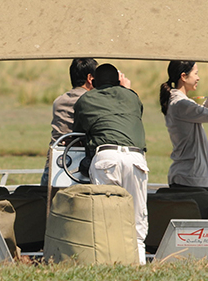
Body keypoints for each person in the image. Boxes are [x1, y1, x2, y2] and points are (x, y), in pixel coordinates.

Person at [73, 63, 149, 264]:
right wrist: (126, 87)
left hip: (105, 158)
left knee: (106, 216)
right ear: (118, 80)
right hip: (135, 158)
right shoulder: (132, 97)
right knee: (137, 218)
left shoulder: (85, 99)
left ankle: (108, 263)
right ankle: (139, 262)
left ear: (94, 81)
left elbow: (79, 131)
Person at [160, 61, 208, 190]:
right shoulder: (180, 104)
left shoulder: (179, 102)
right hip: (190, 178)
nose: (198, 78)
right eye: (196, 73)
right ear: (183, 76)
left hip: (187, 177)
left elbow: (200, 114)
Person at [41, 58, 97, 186]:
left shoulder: (59, 100)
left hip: (56, 160)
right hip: (81, 163)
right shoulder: (92, 101)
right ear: (90, 78)